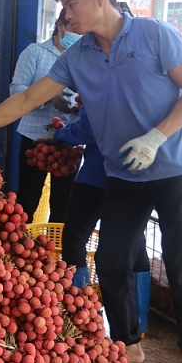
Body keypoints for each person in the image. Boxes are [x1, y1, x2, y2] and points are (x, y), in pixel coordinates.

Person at [0, 0, 182, 363]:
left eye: (71, 3)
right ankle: (127, 341)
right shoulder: (77, 56)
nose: (66, 14)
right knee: (110, 258)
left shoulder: (154, 34)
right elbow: (28, 98)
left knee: (179, 261)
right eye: (64, 6)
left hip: (173, 168)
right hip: (122, 174)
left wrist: (156, 137)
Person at [54, 107, 151, 334]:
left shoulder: (105, 83)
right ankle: (138, 324)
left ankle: (80, 317)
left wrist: (60, 135)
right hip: (135, 177)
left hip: (97, 176)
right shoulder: (147, 88)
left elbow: (88, 129)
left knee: (75, 238)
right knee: (135, 243)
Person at [10, 9, 81, 223]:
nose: (78, 35)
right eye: (72, 29)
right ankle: (23, 249)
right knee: (27, 202)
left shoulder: (84, 58)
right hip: (34, 138)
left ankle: (56, 251)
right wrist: (47, 97)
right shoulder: (35, 52)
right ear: (60, 26)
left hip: (70, 140)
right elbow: (16, 90)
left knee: (64, 206)